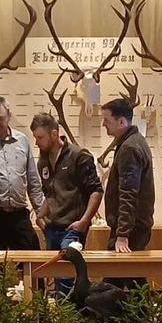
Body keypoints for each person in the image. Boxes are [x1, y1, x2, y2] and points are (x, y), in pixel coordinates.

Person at [33, 112, 103, 294]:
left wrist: (85, 221)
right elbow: (50, 193)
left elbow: (96, 191)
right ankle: (62, 320)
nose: (37, 143)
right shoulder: (43, 161)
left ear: (54, 134)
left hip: (72, 228)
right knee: (57, 278)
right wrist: (40, 215)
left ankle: (74, 319)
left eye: (40, 137)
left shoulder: (79, 156)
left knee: (69, 277)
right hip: (51, 228)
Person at [0, 96, 44, 250]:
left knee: (29, 259)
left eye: (1, 118)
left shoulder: (22, 140)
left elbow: (33, 181)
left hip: (18, 214)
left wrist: (40, 212)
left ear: (9, 116)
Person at [101, 97, 155, 253]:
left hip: (131, 231)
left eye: (107, 120)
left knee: (119, 275)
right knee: (131, 276)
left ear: (121, 122)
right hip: (133, 227)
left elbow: (128, 193)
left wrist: (123, 234)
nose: (104, 124)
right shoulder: (135, 142)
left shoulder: (129, 148)